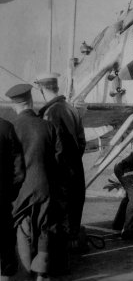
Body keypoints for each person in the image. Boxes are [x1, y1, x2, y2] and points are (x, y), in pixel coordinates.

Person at [6, 84, 66, 281]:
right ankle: (41, 275)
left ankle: (25, 273)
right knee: (45, 228)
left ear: (15, 106)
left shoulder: (11, 127)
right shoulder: (48, 126)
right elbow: (59, 160)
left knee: (22, 228)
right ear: (31, 102)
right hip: (45, 186)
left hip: (21, 189)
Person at [35, 72, 86, 250]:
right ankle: (72, 246)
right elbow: (81, 142)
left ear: (42, 90)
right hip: (75, 168)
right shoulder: (71, 108)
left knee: (59, 213)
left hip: (60, 171)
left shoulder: (51, 112)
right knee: (73, 210)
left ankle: (61, 258)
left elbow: (56, 147)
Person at [0, 117, 25, 281]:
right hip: (2, 195)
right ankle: (6, 269)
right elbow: (19, 167)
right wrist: (11, 192)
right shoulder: (6, 127)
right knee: (5, 235)